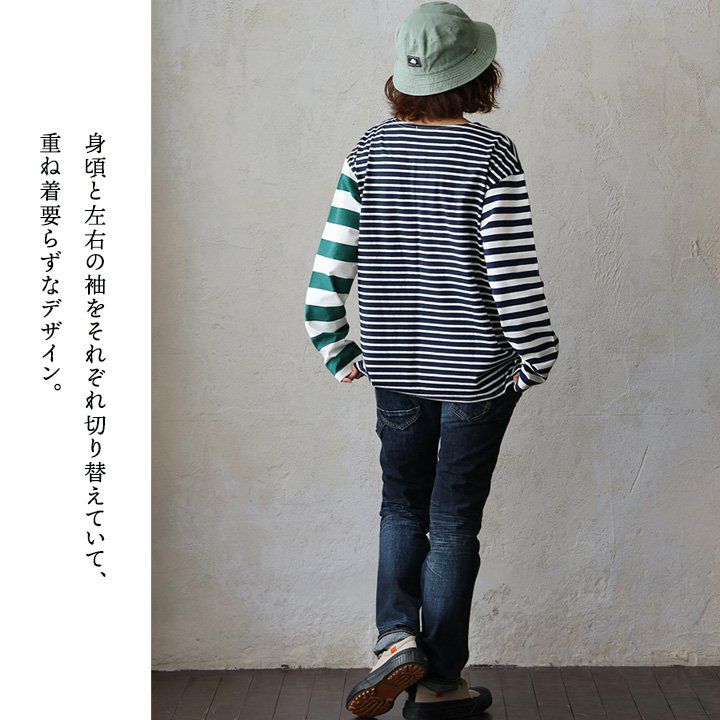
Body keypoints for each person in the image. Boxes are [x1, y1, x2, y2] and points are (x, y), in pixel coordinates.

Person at [304, 2, 559, 717]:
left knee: (401, 505)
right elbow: (511, 275)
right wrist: (536, 359)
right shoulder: (492, 155)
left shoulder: (367, 152)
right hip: (477, 375)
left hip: (394, 371)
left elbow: (327, 274)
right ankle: (441, 681)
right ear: (477, 73)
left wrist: (337, 348)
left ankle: (395, 641)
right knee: (452, 523)